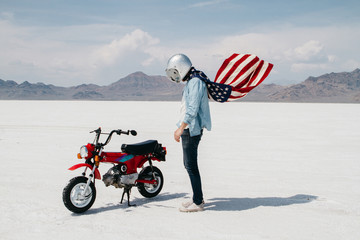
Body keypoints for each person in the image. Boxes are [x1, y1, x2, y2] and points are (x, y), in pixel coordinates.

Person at [165, 54, 211, 212]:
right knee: (188, 164)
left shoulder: (196, 82)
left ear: (182, 67)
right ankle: (196, 197)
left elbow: (192, 110)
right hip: (188, 128)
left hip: (191, 130)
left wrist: (180, 128)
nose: (176, 77)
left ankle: (198, 202)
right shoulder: (193, 81)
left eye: (175, 72)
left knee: (191, 165)